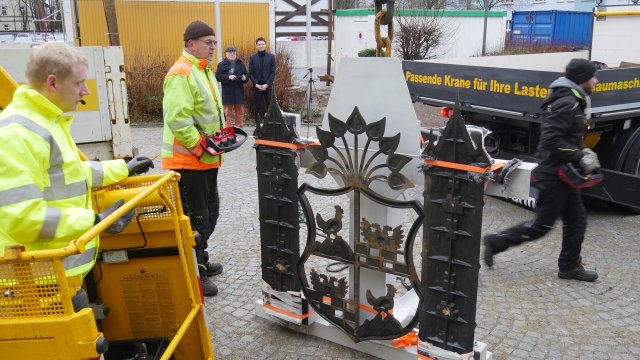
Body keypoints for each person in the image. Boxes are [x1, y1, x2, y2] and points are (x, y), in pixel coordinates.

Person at [0, 43, 154, 310]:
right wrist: (95, 221)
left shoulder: (45, 121)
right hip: (35, 284)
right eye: (79, 83)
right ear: (52, 82)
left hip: (52, 276)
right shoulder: (18, 134)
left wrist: (122, 168)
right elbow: (21, 217)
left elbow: (71, 173)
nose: (85, 91)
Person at [483, 58, 600, 282]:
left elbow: (565, 138)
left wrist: (580, 151)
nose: (596, 80)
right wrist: (580, 156)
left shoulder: (572, 99)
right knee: (541, 226)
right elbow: (550, 141)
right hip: (554, 175)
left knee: (577, 219)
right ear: (582, 79)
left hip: (565, 174)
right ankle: (496, 241)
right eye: (593, 76)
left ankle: (569, 266)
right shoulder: (567, 102)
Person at [161, 20, 225, 297]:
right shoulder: (181, 73)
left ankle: (202, 257)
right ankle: (194, 270)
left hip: (204, 160)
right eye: (208, 42)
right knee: (196, 218)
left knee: (209, 212)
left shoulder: (203, 70)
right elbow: (178, 119)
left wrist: (220, 140)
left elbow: (208, 115)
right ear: (191, 44)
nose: (213, 47)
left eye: (214, 42)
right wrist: (201, 146)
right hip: (189, 162)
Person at [215, 45, 248, 128]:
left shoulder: (241, 64)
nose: (232, 54)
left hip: (238, 91)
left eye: (234, 53)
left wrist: (245, 78)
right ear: (226, 54)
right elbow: (218, 76)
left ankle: (239, 127)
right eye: (230, 53)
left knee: (240, 112)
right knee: (227, 113)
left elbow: (247, 75)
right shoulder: (221, 65)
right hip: (227, 92)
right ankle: (227, 128)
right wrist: (228, 77)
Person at [249, 37, 276, 124]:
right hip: (257, 86)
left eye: (262, 44)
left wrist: (267, 84)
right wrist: (256, 84)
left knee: (270, 106)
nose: (261, 46)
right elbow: (251, 73)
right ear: (256, 46)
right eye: (259, 44)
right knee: (257, 107)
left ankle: (270, 124)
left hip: (267, 86)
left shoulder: (271, 57)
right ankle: (258, 125)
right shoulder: (252, 58)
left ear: (265, 45)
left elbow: (273, 72)